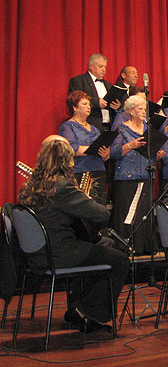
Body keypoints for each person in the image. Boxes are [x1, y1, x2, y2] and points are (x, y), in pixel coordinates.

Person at [16, 139, 130, 333]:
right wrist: (84, 198)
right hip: (60, 253)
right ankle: (87, 312)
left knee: (106, 245)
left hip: (37, 253)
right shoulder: (61, 187)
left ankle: (77, 308)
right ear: (66, 161)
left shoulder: (30, 185)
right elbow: (102, 214)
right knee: (120, 260)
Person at [110, 95, 161, 254]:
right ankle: (127, 248)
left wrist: (157, 153)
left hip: (146, 175)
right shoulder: (122, 129)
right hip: (127, 177)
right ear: (131, 111)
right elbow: (114, 152)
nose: (144, 112)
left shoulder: (147, 128)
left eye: (145, 109)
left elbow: (153, 149)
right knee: (128, 214)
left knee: (144, 215)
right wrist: (131, 145)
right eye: (140, 109)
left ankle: (144, 249)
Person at [58, 91, 110, 204]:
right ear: (75, 107)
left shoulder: (94, 128)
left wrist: (106, 154)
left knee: (99, 208)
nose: (88, 107)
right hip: (81, 172)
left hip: (98, 172)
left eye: (89, 104)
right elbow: (70, 149)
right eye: (84, 104)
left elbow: (102, 150)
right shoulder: (68, 126)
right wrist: (92, 149)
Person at [68, 53, 121, 130]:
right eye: (100, 66)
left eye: (105, 67)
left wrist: (116, 106)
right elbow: (75, 100)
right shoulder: (79, 81)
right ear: (91, 66)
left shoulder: (108, 85)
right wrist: (96, 102)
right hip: (89, 125)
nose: (103, 69)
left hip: (109, 126)